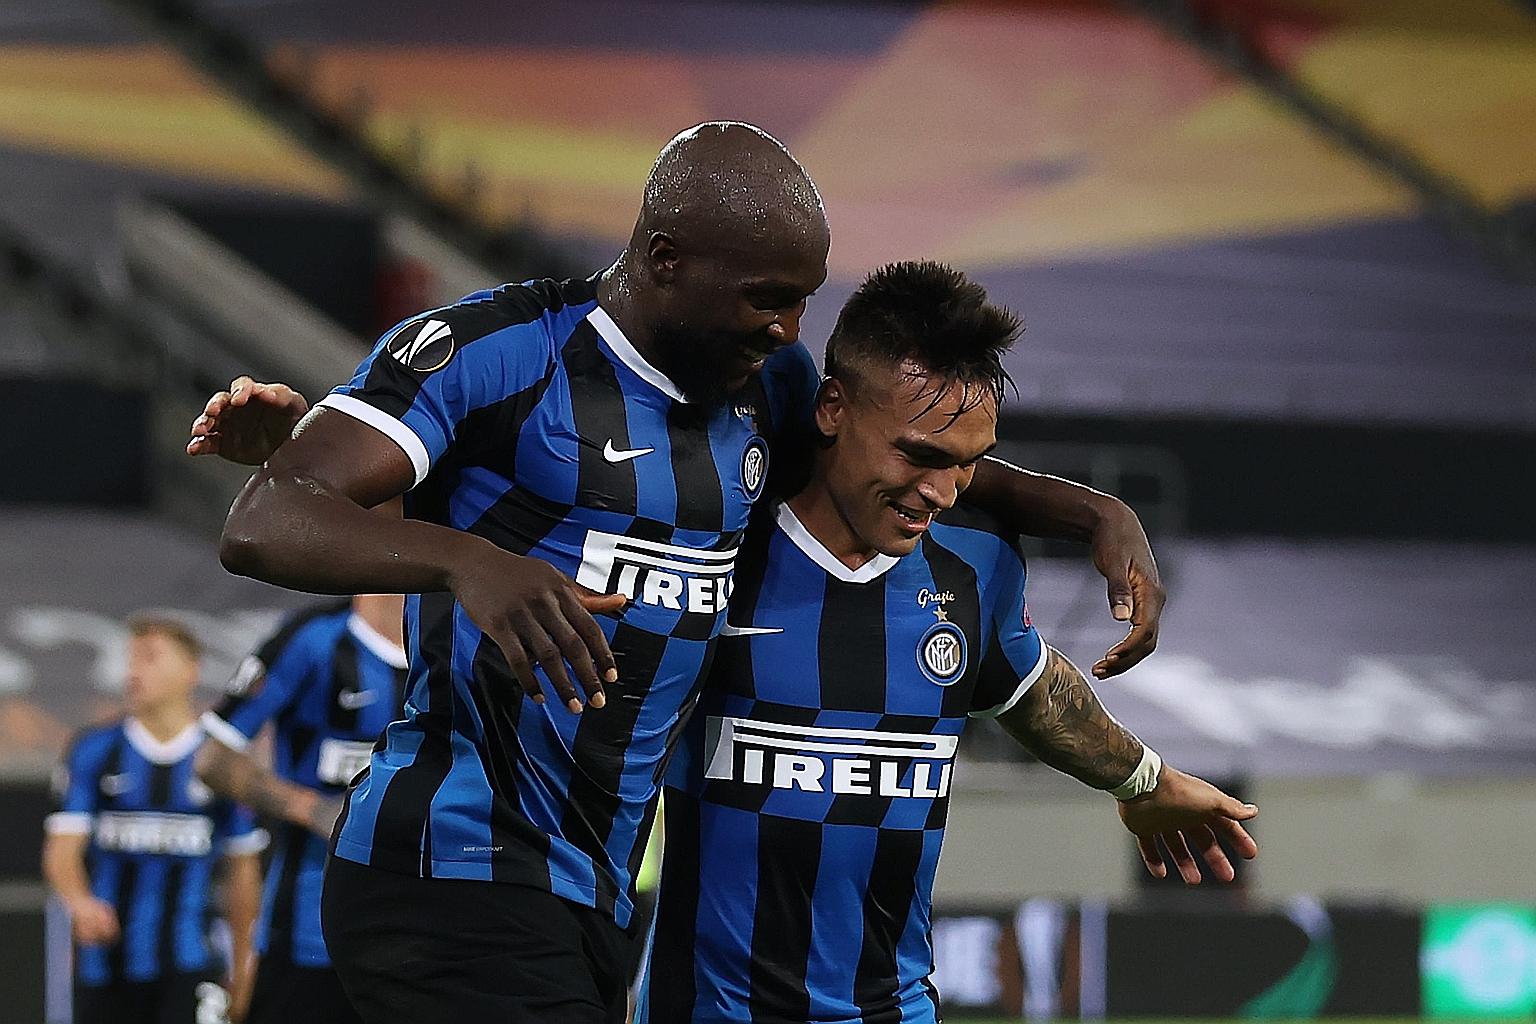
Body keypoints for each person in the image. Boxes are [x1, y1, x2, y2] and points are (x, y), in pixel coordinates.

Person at [194, 122, 1165, 1024]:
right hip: (451, 861)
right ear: (666, 260)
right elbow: (268, 519)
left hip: (599, 887)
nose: (789, 329)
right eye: (767, 298)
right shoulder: (496, 355)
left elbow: (899, 451)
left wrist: (1092, 511)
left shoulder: (765, 388)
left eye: (802, 299)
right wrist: (469, 563)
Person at [637, 262, 1257, 1024]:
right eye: (919, 456)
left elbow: (1030, 692)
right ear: (832, 407)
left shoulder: (975, 564)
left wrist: (1144, 780)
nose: (941, 491)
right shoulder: (723, 545)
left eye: (967, 463)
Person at [41, 616, 267, 1024]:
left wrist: (245, 961)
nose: (133, 672)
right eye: (131, 660)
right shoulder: (95, 750)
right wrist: (79, 902)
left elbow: (244, 871)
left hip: (191, 964)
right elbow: (62, 850)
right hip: (104, 968)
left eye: (150, 659)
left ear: (190, 671)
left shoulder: (220, 763)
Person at [194, 595, 408, 1024]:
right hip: (308, 934)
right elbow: (213, 759)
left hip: (425, 940)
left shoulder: (458, 634)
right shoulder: (312, 638)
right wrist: (312, 810)